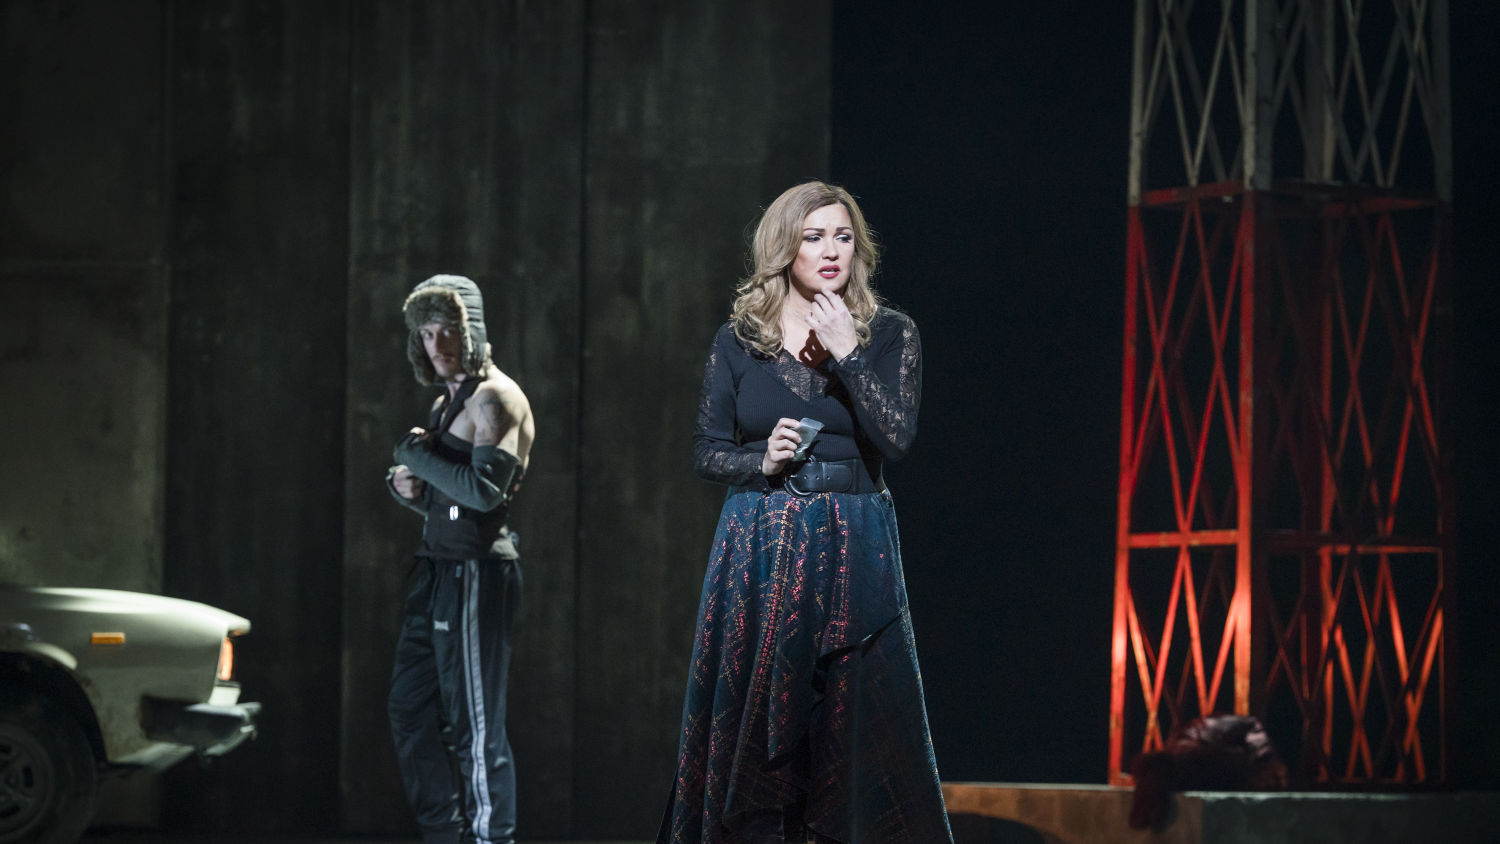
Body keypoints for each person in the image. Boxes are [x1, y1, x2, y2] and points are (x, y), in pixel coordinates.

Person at [658, 183, 953, 843]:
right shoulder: (740, 341)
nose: (830, 251)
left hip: (854, 540)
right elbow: (706, 450)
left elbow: (896, 439)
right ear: (784, 247)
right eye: (814, 237)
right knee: (762, 720)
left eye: (842, 237)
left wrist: (848, 353)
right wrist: (761, 460)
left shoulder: (889, 333)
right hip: (762, 539)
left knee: (851, 718)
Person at [385, 274, 534, 844]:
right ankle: (445, 835)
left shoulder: (496, 397)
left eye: (448, 329)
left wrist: (414, 455)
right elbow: (447, 500)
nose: (437, 344)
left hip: (477, 571)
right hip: (437, 569)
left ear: (471, 330)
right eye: (426, 333)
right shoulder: (447, 401)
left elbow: (483, 493)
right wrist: (408, 487)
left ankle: (490, 839)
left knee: (475, 723)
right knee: (409, 707)